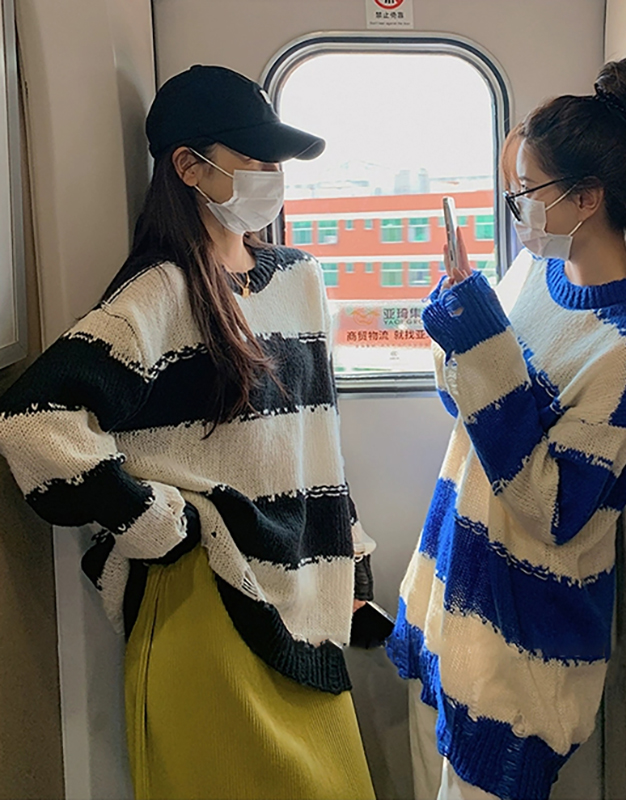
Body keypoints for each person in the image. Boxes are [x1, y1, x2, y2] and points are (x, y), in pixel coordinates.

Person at [0, 65, 375, 800]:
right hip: (207, 595)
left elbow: (317, 442)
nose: (273, 176)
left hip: (306, 591)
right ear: (188, 167)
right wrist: (158, 522)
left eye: (277, 161)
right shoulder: (162, 290)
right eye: (254, 158)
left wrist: (350, 557)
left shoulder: (299, 278)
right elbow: (31, 420)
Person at [386, 57, 626, 800]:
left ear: (586, 198)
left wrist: (481, 342)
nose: (516, 208)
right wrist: (459, 321)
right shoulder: (531, 272)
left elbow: (550, 509)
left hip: (521, 646)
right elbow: (469, 408)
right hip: (454, 588)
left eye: (526, 191)